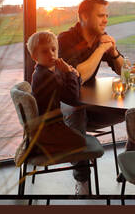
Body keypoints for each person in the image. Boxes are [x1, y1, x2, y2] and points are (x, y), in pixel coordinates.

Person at [57, 0, 135, 187]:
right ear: (83, 16)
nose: (106, 20)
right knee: (77, 111)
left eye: (107, 15)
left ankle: (129, 162)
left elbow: (123, 72)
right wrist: (101, 50)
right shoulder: (65, 39)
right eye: (101, 15)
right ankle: (82, 181)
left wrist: (114, 52)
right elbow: (78, 77)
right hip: (64, 107)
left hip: (92, 107)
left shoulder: (101, 38)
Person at [26, 31, 88, 195]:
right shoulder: (45, 76)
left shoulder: (45, 72)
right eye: (45, 51)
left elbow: (67, 87)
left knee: (77, 122)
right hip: (49, 129)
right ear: (35, 56)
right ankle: (49, 146)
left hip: (49, 124)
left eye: (54, 49)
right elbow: (72, 98)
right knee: (82, 142)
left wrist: (72, 74)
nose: (51, 54)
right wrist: (69, 73)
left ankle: (80, 174)